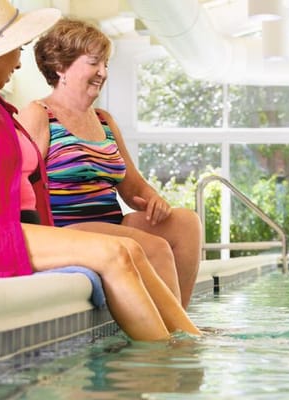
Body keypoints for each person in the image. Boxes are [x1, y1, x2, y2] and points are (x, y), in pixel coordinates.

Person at [0, 0, 199, 341]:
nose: (19, 62)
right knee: (120, 253)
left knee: (131, 250)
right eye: (15, 49)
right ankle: (168, 359)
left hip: (10, 231)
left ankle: (187, 340)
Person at [17, 19, 202, 309]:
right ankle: (178, 338)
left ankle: (179, 319)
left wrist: (154, 199)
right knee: (154, 248)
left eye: (105, 64)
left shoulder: (104, 120)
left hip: (111, 223)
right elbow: (17, 184)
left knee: (186, 223)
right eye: (94, 63)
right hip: (67, 228)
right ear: (61, 68)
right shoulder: (39, 114)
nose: (103, 72)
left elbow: (132, 186)